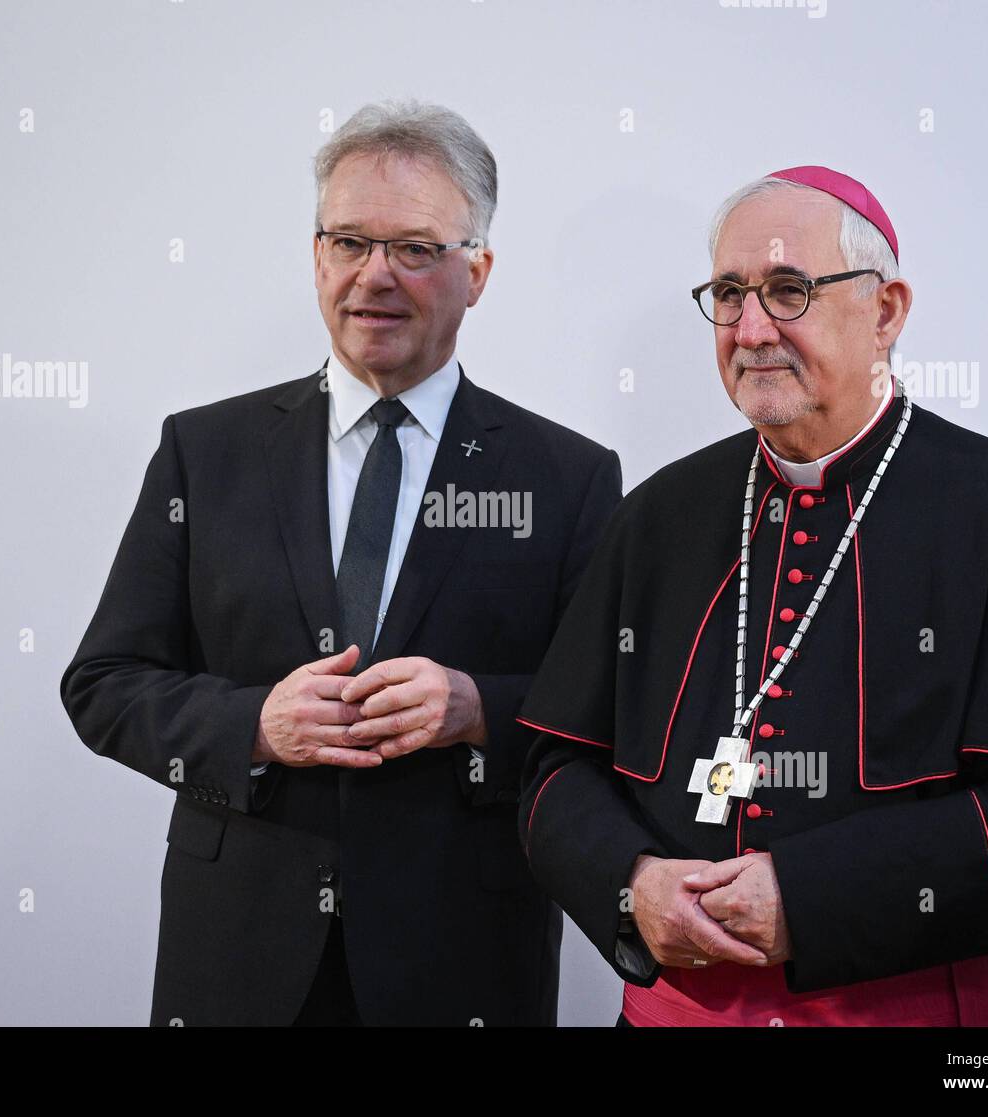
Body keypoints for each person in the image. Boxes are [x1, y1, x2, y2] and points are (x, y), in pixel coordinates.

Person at [517, 165, 988, 1026]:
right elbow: (555, 768)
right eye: (729, 294)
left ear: (885, 311)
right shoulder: (661, 513)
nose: (752, 326)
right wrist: (631, 883)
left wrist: (806, 895)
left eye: (789, 290)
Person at [60, 101, 621, 1026]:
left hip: (464, 959)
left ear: (476, 271)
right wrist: (254, 723)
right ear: (316, 255)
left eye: (414, 249)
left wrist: (476, 708)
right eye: (350, 242)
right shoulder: (206, 453)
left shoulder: (569, 477)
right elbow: (104, 684)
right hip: (238, 957)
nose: (375, 277)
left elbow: (611, 719)